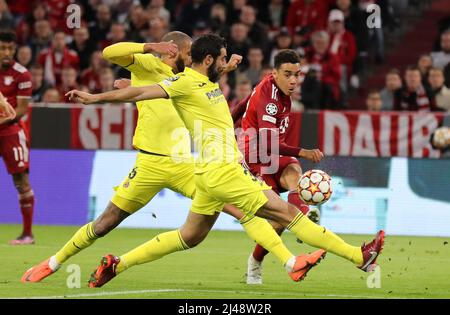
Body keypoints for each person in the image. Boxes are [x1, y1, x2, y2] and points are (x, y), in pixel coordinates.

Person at [64, 34, 384, 288]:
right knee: (287, 212)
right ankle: (359, 256)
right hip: (224, 171)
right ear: (207, 60)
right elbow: (136, 94)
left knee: (188, 236)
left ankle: (117, 265)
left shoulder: (207, 82)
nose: (224, 61)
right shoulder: (184, 83)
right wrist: (94, 98)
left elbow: (209, 87)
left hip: (207, 175)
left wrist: (225, 67)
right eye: (219, 58)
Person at [232, 49, 322, 284]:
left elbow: (244, 102)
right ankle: (256, 262)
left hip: (272, 153)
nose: (293, 80)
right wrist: (304, 151)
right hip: (256, 159)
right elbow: (269, 143)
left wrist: (228, 120)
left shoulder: (271, 85)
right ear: (275, 73)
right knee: (279, 220)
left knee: (294, 172)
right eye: (288, 74)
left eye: (297, 74)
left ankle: (302, 213)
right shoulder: (270, 99)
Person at [0, 30, 35, 245]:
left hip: (11, 132)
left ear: (15, 49)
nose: (6, 52)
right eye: (2, 48)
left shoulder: (22, 74)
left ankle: (27, 234)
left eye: (9, 48)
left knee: (21, 181)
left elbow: (21, 110)